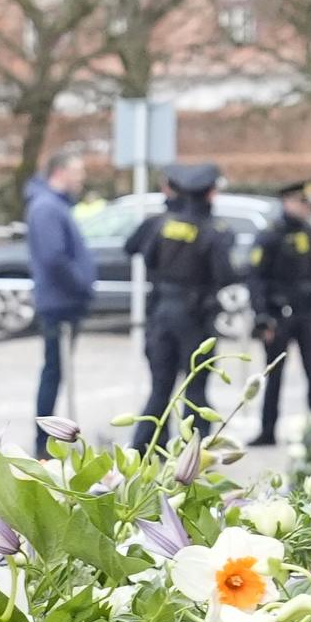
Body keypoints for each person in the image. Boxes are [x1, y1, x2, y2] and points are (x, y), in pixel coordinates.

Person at [129, 161, 227, 450]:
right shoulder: (212, 231)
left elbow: (133, 248)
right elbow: (225, 275)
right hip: (196, 319)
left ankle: (145, 450)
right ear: (210, 194)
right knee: (195, 389)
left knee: (160, 388)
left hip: (160, 314)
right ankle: (191, 454)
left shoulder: (160, 224)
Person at [23, 146, 97, 446]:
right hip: (59, 303)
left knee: (56, 370)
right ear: (60, 172)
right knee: (53, 371)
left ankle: (49, 437)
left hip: (62, 301)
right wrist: (81, 285)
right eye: (77, 172)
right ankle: (44, 440)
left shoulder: (53, 206)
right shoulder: (47, 208)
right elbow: (55, 257)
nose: (81, 179)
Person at [252, 179, 311, 446]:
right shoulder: (271, 235)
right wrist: (262, 316)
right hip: (280, 315)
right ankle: (267, 430)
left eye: (310, 204)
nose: (307, 208)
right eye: (302, 202)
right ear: (287, 202)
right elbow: (257, 278)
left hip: (308, 313)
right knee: (273, 376)